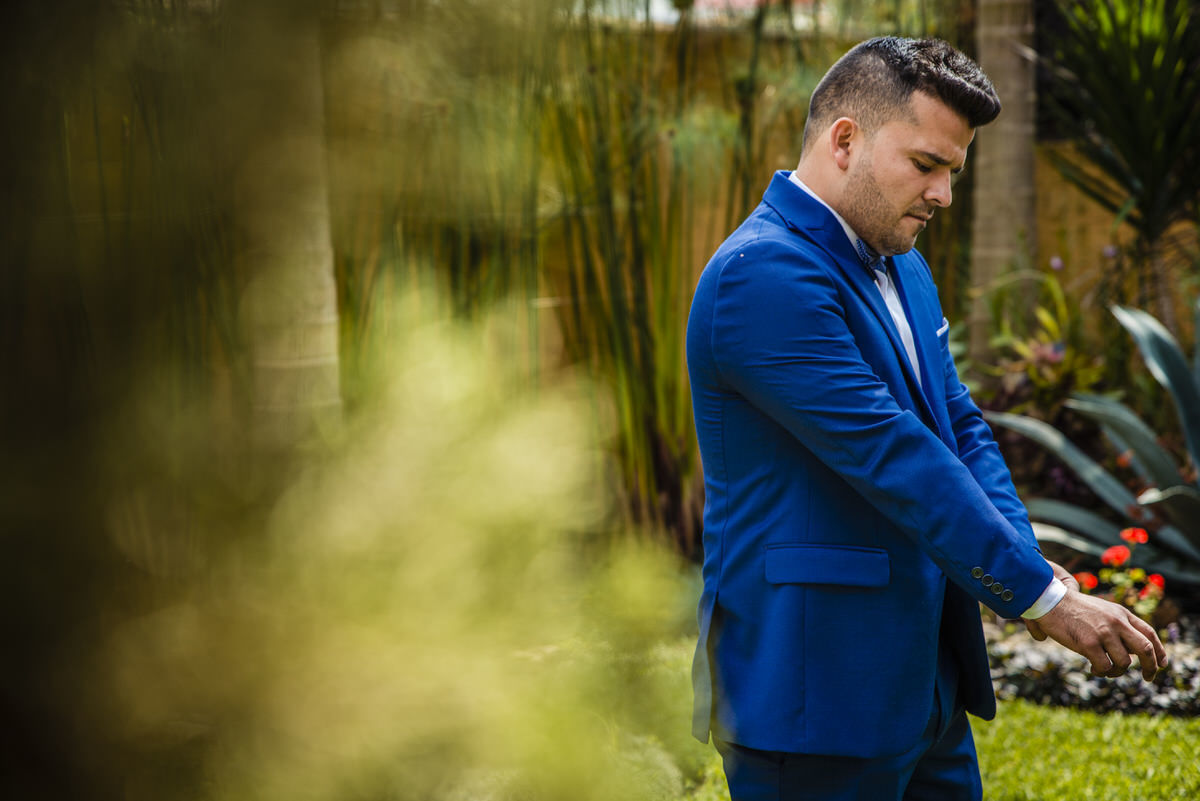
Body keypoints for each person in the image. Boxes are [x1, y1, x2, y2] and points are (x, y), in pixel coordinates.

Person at [685, 36, 1166, 801]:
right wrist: (1045, 600)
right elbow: (895, 454)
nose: (943, 194)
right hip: (814, 695)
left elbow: (959, 427)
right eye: (925, 165)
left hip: (925, 683)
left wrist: (1029, 570)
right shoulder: (760, 278)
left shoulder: (902, 260)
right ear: (845, 139)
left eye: (953, 170)